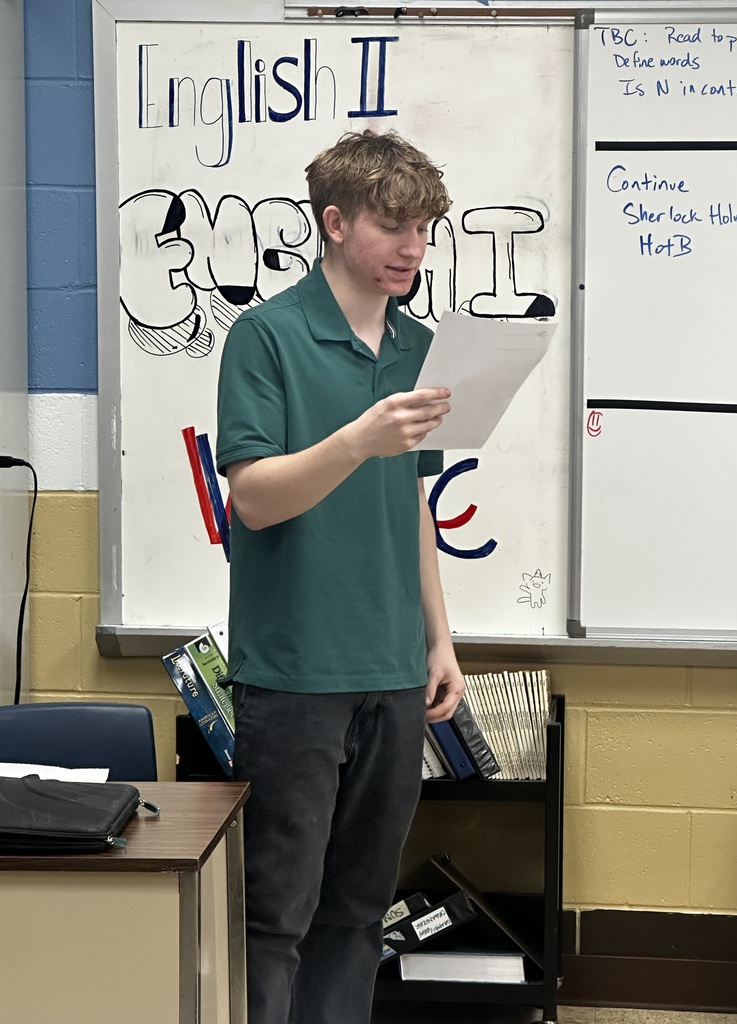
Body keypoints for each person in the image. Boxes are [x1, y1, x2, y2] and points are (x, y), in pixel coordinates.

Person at [215, 128, 465, 1024]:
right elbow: (254, 499)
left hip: (395, 670)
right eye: (394, 226)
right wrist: (358, 437)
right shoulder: (266, 336)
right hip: (295, 674)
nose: (413, 249)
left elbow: (415, 506)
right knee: (277, 913)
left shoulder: (420, 345)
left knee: (359, 913)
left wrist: (439, 638)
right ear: (334, 222)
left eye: (425, 229)